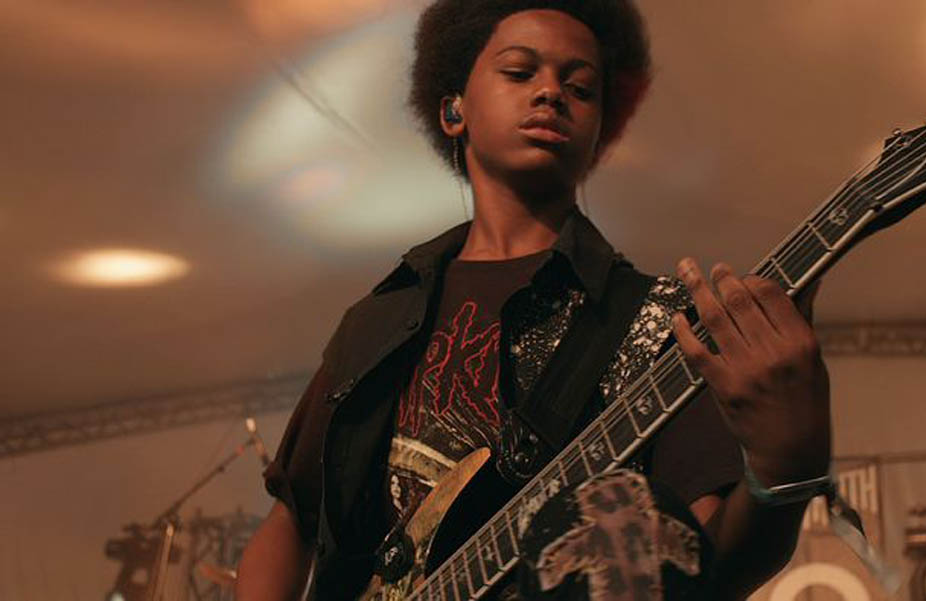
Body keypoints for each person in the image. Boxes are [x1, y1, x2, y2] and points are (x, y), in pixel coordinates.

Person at [236, 2, 832, 600]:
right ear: (453, 110)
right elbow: (292, 520)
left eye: (581, 87)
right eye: (520, 72)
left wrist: (787, 461)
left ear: (600, 130)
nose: (551, 92)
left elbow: (700, 558)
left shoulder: (658, 320)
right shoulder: (377, 320)